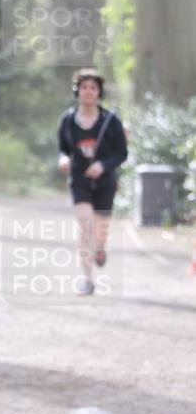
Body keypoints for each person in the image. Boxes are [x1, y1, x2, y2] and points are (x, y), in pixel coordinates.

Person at [57, 69, 128, 296]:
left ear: (99, 92)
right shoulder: (67, 120)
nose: (88, 92)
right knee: (84, 227)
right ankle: (86, 279)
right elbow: (63, 149)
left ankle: (100, 249)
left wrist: (103, 166)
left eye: (93, 88)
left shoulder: (111, 121)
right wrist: (64, 159)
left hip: (106, 182)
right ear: (77, 91)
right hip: (79, 181)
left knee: (99, 232)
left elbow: (121, 153)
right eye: (84, 87)